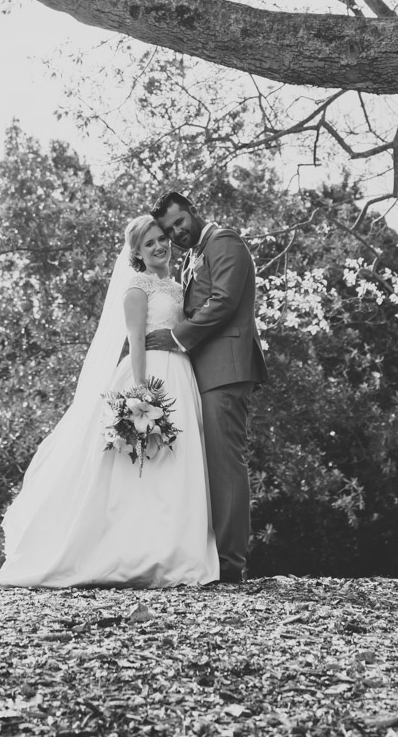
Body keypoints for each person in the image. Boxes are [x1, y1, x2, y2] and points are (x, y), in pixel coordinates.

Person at [0, 214, 219, 589]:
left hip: (181, 377)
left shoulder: (176, 286)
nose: (159, 246)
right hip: (150, 377)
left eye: (161, 238)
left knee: (177, 461)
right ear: (137, 253)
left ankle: (175, 548)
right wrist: (142, 393)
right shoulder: (137, 288)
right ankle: (131, 550)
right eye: (149, 243)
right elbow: (135, 342)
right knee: (139, 467)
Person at [150, 191, 268, 586]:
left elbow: (224, 301)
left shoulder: (224, 241)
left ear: (193, 211)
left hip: (226, 369)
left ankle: (230, 563)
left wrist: (175, 337)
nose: (176, 233)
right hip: (203, 372)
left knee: (224, 462)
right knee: (207, 465)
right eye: (169, 230)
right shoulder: (192, 257)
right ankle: (212, 557)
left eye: (179, 222)